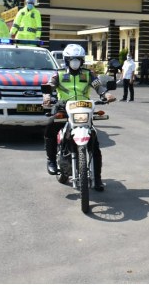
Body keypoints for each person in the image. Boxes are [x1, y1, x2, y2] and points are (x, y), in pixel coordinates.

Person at [42, 44, 115, 190]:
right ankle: (51, 160)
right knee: (50, 127)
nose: (75, 62)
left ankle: (98, 179)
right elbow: (49, 86)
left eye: (78, 59)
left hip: (84, 109)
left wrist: (106, 94)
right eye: (71, 59)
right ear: (66, 60)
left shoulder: (89, 74)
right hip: (64, 107)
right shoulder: (59, 73)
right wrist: (47, 96)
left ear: (82, 60)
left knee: (94, 144)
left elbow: (98, 87)